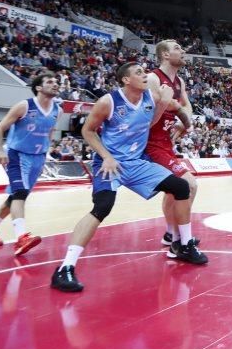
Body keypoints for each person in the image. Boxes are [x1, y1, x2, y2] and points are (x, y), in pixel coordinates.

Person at [51, 63, 207, 293]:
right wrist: (106, 156)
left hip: (135, 163)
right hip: (110, 163)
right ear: (125, 80)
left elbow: (170, 111)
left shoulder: (152, 97)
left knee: (182, 187)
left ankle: (183, 244)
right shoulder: (108, 101)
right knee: (102, 207)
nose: (145, 75)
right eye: (139, 73)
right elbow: (88, 131)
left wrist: (185, 124)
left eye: (145, 72)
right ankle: (65, 268)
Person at [0, 72, 61, 254]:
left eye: (57, 82)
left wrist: (45, 155)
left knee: (15, 197)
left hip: (38, 157)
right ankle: (22, 237)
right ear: (39, 87)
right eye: (50, 82)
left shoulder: (58, 109)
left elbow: (49, 133)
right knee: (20, 193)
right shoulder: (24, 106)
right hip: (17, 154)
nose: (55, 84)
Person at [145, 40, 198, 247]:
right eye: (177, 48)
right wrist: (169, 108)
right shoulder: (152, 79)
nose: (182, 50)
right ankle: (179, 240)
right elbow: (146, 117)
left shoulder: (180, 82)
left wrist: (182, 121)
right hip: (150, 144)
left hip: (166, 143)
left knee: (173, 191)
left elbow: (188, 107)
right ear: (165, 55)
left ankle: (170, 234)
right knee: (189, 185)